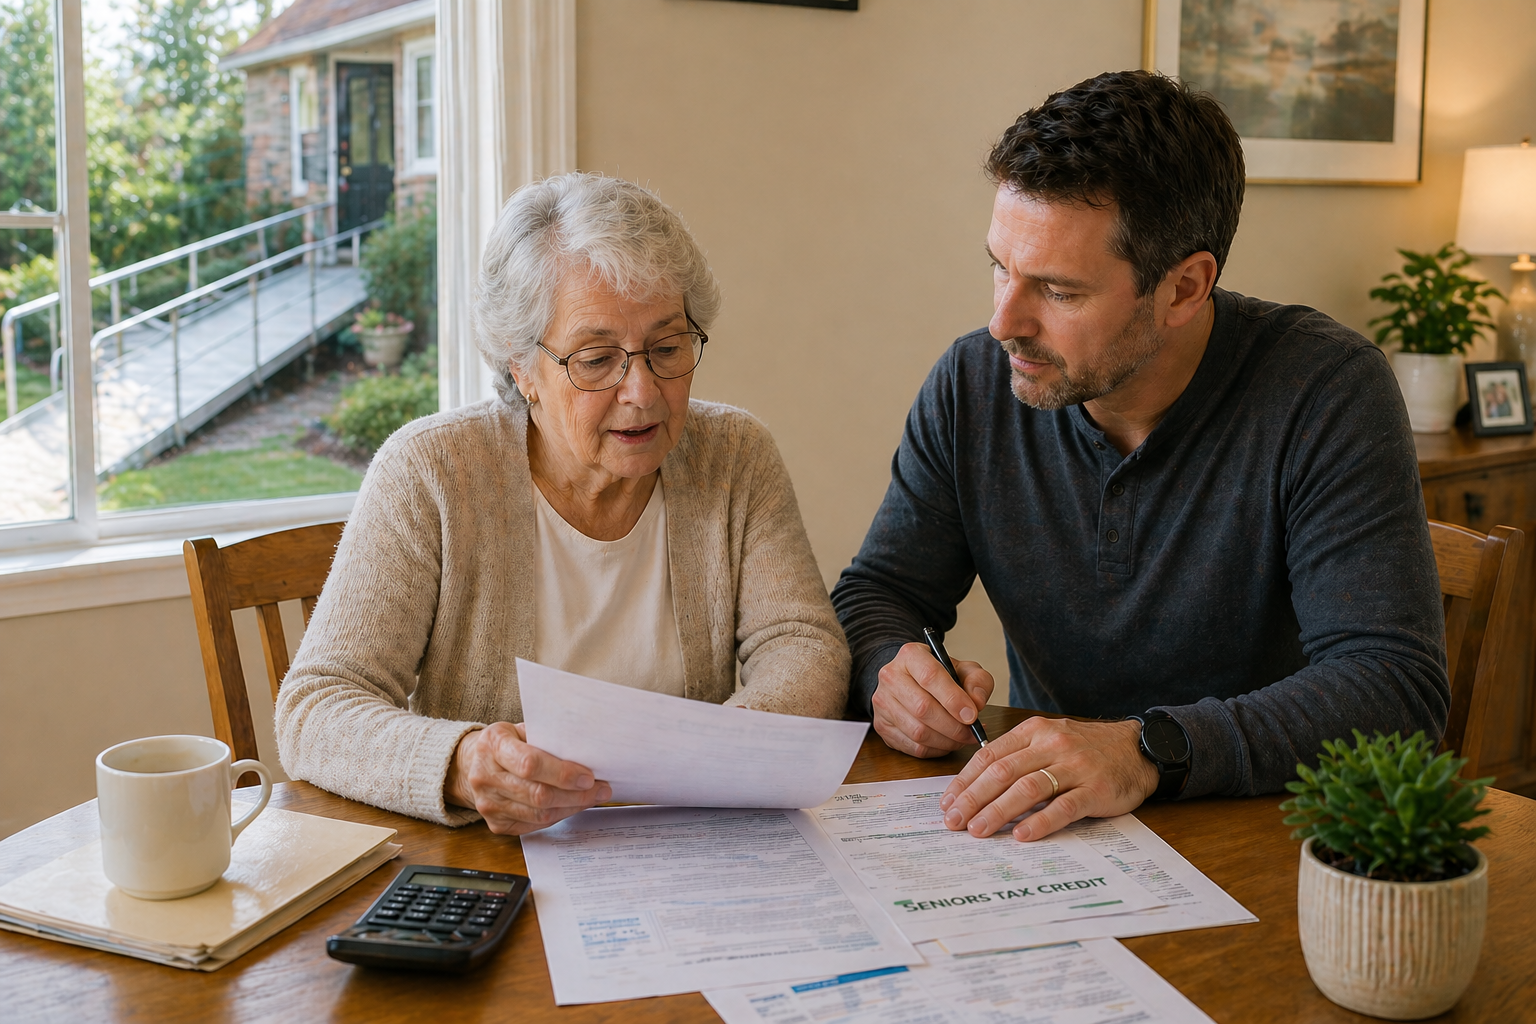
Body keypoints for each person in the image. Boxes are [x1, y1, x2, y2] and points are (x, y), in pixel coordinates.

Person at [832, 71, 1447, 844]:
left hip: (1270, 834)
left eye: (1058, 290)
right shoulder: (972, 384)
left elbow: (1393, 691)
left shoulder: (1324, 390)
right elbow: (880, 592)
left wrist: (1147, 749)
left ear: (1185, 287)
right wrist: (894, 672)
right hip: (1057, 840)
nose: (1002, 322)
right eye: (999, 266)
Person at [277, 173, 849, 835]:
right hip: (499, 866)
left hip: (697, 845)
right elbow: (316, 708)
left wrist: (717, 755)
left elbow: (805, 646)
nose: (642, 391)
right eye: (597, 358)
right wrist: (462, 764)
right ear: (522, 368)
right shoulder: (432, 473)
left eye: (667, 348)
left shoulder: (735, 454)